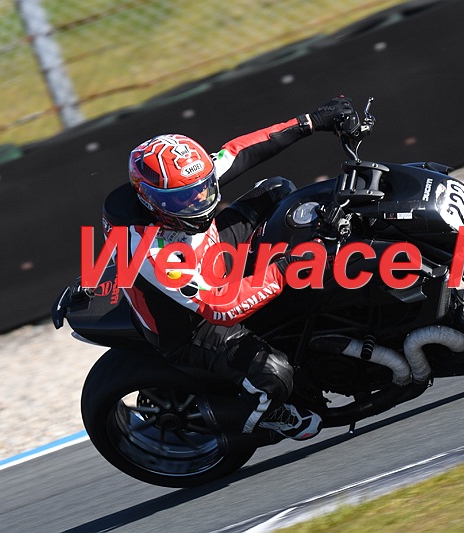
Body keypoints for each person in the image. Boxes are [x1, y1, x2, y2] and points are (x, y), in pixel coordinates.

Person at [102, 96, 355, 441]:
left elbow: (240, 151)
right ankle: (260, 416)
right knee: (274, 374)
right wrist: (287, 268)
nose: (200, 201)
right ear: (149, 200)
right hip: (192, 325)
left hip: (210, 255)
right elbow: (219, 306)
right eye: (184, 199)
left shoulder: (184, 185)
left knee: (277, 190)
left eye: (203, 188)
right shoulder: (147, 251)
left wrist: (311, 121)